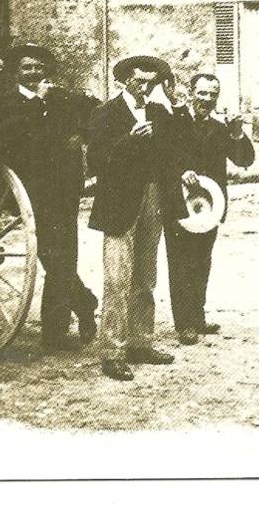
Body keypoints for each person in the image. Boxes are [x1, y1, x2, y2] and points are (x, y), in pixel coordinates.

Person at [0, 44, 100, 350]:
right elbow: (4, 135)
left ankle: (54, 335)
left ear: (46, 71)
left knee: (62, 256)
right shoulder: (6, 103)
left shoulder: (62, 98)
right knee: (50, 257)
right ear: (17, 72)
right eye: (27, 67)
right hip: (28, 191)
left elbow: (94, 113)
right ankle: (84, 302)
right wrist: (36, 103)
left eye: (38, 67)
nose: (33, 72)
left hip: (62, 190)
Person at [86, 55, 183, 381]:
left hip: (153, 196)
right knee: (117, 278)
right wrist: (129, 140)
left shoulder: (158, 112)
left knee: (145, 275)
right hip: (117, 201)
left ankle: (141, 341)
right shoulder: (105, 113)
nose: (145, 88)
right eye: (139, 82)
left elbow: (176, 150)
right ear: (125, 80)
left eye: (150, 83)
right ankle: (113, 352)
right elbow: (96, 161)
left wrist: (174, 103)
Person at [161, 71, 255, 345]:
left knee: (202, 261)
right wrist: (181, 171)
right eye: (202, 93)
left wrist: (237, 133)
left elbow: (244, 160)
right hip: (179, 204)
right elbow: (163, 157)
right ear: (191, 93)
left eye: (212, 95)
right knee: (180, 263)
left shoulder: (220, 128)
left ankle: (197, 316)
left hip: (209, 206)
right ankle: (184, 324)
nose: (207, 99)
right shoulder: (174, 122)